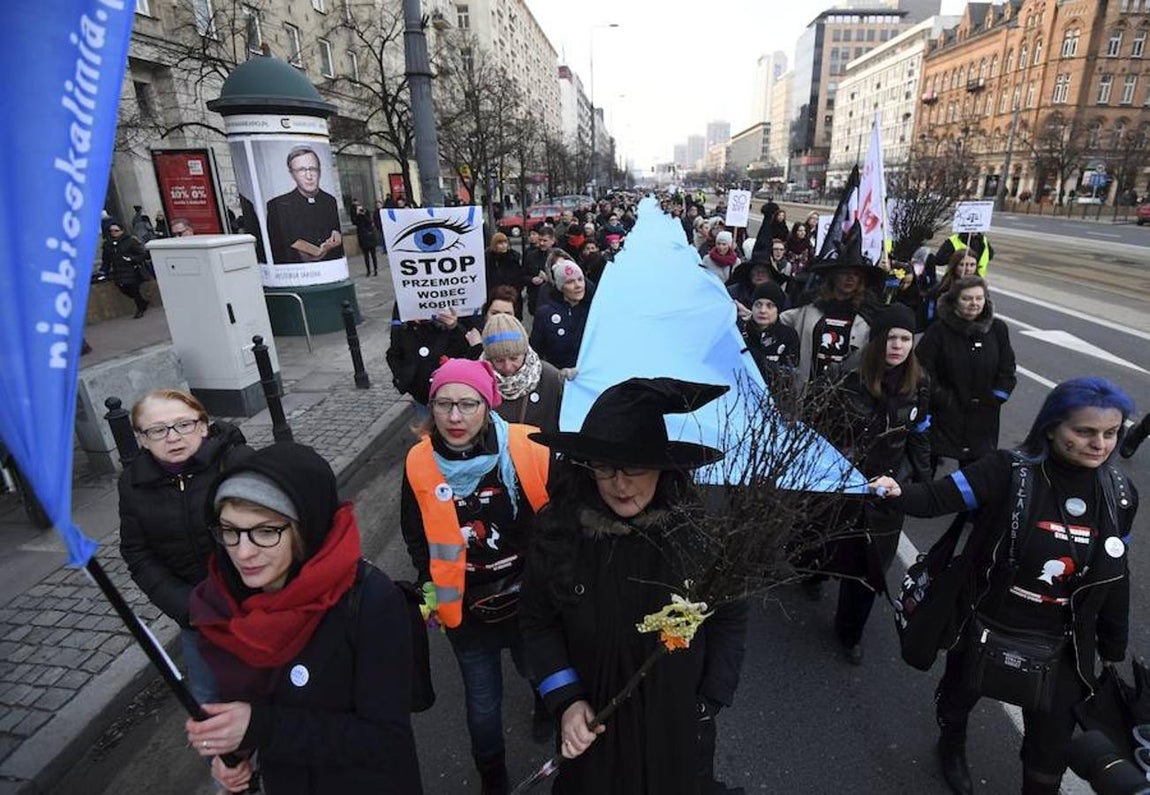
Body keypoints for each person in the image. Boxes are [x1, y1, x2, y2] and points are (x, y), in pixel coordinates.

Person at [870, 377, 1137, 795]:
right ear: (1052, 427)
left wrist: (1112, 644)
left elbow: (1116, 572)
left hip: (1064, 641)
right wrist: (896, 491)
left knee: (1048, 756)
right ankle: (952, 744)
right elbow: (937, 498)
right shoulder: (1006, 470)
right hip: (985, 619)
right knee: (957, 701)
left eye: (1110, 432)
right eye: (1084, 431)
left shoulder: (1121, 495)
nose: (1099, 444)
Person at [522, 377, 748, 794]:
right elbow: (537, 625)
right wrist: (567, 701)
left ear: (663, 469)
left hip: (676, 736)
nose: (620, 484)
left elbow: (730, 616)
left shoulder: (700, 535)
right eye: (605, 468)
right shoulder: (558, 535)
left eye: (635, 468)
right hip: (595, 737)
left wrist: (707, 703)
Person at [186, 442, 423, 794]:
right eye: (230, 531)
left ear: (304, 528)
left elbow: (384, 737)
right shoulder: (228, 601)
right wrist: (237, 750)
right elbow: (251, 705)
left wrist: (260, 727)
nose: (243, 552)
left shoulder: (370, 599)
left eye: (266, 531)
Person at [400, 358, 552, 793]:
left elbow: (558, 518)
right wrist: (429, 582)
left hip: (530, 599)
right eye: (443, 404)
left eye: (467, 404)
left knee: (538, 671)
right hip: (467, 610)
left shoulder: (528, 446)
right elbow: (414, 534)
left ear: (488, 404)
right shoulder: (418, 462)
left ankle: (545, 706)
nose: (454, 417)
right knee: (483, 705)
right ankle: (493, 776)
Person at [119, 390, 251, 705]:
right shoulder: (132, 484)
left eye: (184, 425)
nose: (173, 437)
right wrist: (188, 607)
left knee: (272, 689)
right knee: (208, 700)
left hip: (255, 607)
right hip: (198, 620)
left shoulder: (234, 462)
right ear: (141, 438)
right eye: (158, 430)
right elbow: (137, 554)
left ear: (203, 426)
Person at [822, 304, 931, 664]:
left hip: (886, 488)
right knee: (825, 545)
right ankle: (813, 575)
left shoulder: (920, 383)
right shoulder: (845, 374)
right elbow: (819, 423)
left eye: (904, 338)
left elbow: (918, 436)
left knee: (870, 566)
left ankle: (849, 632)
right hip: (842, 481)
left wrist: (918, 484)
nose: (897, 346)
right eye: (890, 337)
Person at [915, 276, 1016, 470]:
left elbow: (1007, 367)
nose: (974, 304)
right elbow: (922, 370)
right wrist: (943, 399)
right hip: (945, 417)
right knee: (928, 472)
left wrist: (997, 396)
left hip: (983, 418)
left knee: (976, 476)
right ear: (955, 301)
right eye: (967, 299)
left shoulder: (997, 329)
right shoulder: (938, 331)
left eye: (979, 298)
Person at [779, 258, 879, 387]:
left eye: (855, 274)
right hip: (807, 388)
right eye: (844, 273)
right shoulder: (809, 309)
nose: (850, 278)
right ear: (834, 276)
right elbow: (775, 322)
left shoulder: (866, 316)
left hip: (847, 391)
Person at [386, 304, 481, 409]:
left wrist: (454, 327)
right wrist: (403, 378)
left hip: (450, 393)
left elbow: (464, 351)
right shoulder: (405, 330)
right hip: (421, 397)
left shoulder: (447, 326)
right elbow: (393, 355)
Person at [482, 314, 565, 432]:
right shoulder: (478, 380)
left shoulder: (550, 378)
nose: (508, 367)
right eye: (499, 360)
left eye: (514, 358)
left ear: (525, 353)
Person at [265, 146, 344, 264]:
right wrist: (300, 256)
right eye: (301, 170)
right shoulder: (278, 205)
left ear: (319, 171)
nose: (309, 176)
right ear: (292, 174)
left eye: (312, 169)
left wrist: (337, 235)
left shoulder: (330, 201)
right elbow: (274, 247)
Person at [530, 259, 596, 371]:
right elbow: (535, 353)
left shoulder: (593, 310)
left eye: (580, 279)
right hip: (558, 379)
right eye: (570, 282)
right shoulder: (545, 314)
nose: (578, 285)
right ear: (560, 286)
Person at [737, 281, 799, 381]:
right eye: (758, 304)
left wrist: (758, 358)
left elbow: (787, 375)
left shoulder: (788, 335)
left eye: (769, 306)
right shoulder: (740, 333)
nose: (762, 310)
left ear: (778, 310)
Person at [102, 221, 151, 318]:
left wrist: (131, 259)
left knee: (134, 289)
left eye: (116, 230)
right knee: (123, 289)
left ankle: (140, 308)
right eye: (111, 231)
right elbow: (106, 259)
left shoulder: (130, 241)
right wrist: (104, 270)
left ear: (122, 231)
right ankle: (143, 303)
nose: (114, 233)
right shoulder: (108, 244)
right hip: (118, 270)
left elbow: (143, 254)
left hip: (131, 269)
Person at [485, 232, 528, 317]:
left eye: (505, 242)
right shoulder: (488, 259)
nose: (504, 245)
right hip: (495, 295)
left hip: (513, 296)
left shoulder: (514, 258)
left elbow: (520, 277)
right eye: (500, 243)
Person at [350, 199, 379, 276]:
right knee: (366, 255)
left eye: (359, 205)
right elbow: (354, 222)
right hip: (362, 237)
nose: (359, 208)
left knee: (373, 255)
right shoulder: (356, 214)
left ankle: (375, 270)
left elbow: (370, 221)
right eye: (356, 206)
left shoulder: (366, 212)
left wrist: (363, 214)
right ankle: (368, 270)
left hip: (369, 235)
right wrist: (357, 214)